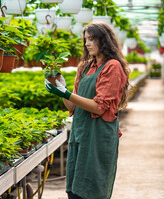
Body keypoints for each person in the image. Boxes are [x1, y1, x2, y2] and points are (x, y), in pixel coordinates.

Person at [45, 21, 130, 199]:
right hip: (81, 133)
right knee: (75, 190)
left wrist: (66, 93)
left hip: (98, 135)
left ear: (104, 40)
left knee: (93, 188)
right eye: (85, 40)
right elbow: (72, 106)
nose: (87, 44)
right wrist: (61, 88)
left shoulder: (112, 66)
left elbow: (99, 107)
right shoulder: (85, 66)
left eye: (92, 39)